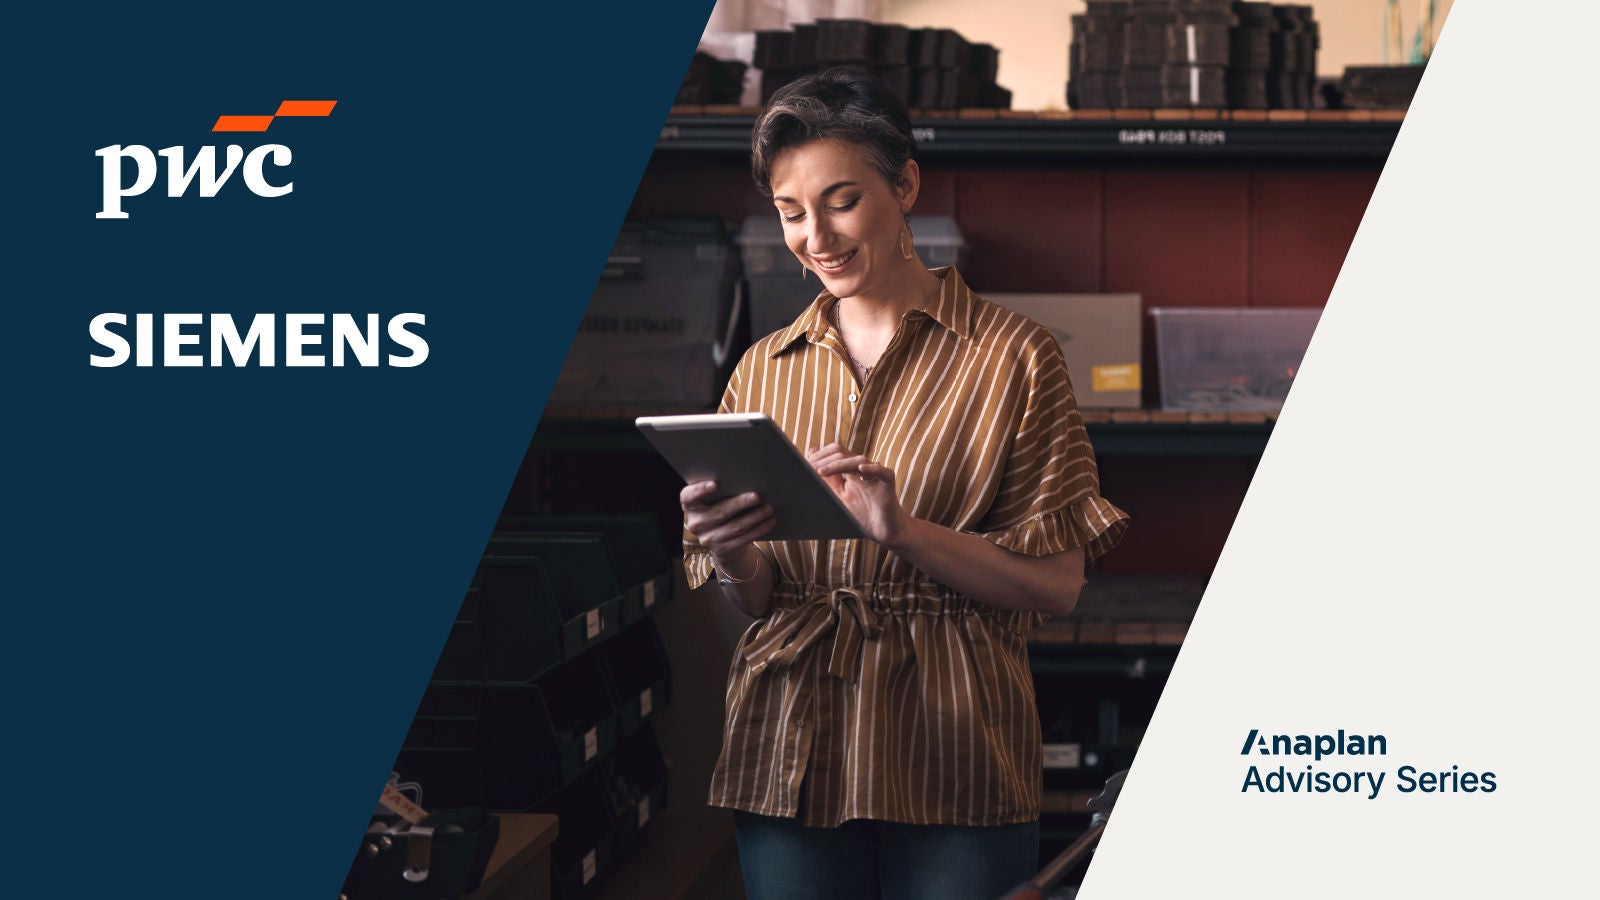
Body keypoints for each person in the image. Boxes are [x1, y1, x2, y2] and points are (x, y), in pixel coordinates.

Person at [679, 67, 1129, 900]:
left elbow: (1058, 586)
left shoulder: (1015, 357)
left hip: (955, 742)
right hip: (791, 737)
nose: (816, 236)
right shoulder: (761, 370)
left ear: (906, 185)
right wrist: (734, 555)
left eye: (841, 201)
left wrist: (904, 533)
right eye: (790, 212)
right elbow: (753, 600)